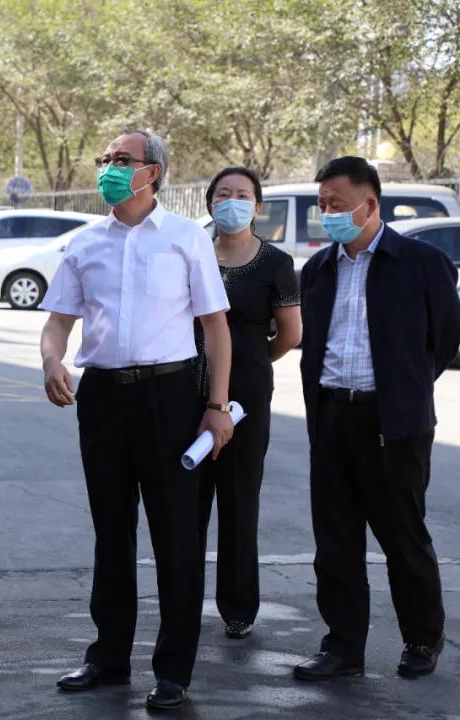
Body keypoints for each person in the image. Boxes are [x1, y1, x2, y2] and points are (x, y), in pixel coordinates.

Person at [39, 129, 233, 711]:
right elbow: (58, 321)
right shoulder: (84, 243)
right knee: (111, 531)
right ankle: (108, 656)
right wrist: (51, 360)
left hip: (169, 396)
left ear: (154, 172)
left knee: (176, 536)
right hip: (103, 397)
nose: (110, 168)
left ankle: (173, 669)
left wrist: (217, 406)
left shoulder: (184, 238)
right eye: (105, 159)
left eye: (123, 160)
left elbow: (215, 327)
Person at [293, 157, 460, 681]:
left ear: (370, 204)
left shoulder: (421, 263)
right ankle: (343, 647)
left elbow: (444, 340)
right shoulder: (318, 269)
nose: (328, 213)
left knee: (402, 536)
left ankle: (422, 639)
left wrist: (404, 389)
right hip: (331, 416)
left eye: (337, 204)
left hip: (393, 424)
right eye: (322, 205)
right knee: (335, 541)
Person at [195, 167, 301, 639]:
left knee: (239, 500)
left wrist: (252, 362)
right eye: (223, 194)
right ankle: (183, 600)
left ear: (257, 206)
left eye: (242, 195)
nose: (231, 201)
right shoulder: (192, 253)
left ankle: (238, 607)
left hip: (246, 399)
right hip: (186, 390)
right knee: (186, 503)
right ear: (209, 203)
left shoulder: (275, 262)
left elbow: (290, 334)